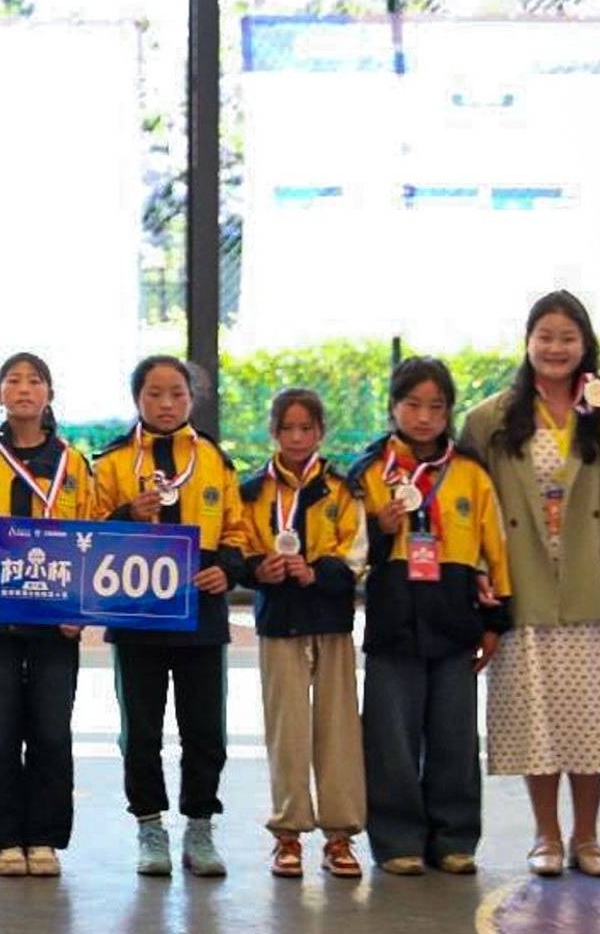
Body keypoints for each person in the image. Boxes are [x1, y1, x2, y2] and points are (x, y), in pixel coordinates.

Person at [461, 291, 600, 878]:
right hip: (524, 582)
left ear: (585, 345)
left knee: (595, 719)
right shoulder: (491, 417)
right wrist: (479, 576)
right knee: (535, 717)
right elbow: (470, 505)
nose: (555, 348)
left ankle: (589, 837)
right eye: (545, 336)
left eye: (567, 338)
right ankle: (545, 836)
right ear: (528, 342)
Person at [348, 356, 511, 877]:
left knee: (455, 736)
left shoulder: (470, 473)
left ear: (449, 413)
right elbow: (346, 550)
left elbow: (496, 549)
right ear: (393, 406)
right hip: (393, 620)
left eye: (436, 407)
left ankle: (455, 837)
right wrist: (379, 527)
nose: (423, 416)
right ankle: (398, 840)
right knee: (390, 738)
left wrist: (496, 620)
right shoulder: (368, 472)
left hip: (455, 618)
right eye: (412, 404)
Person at [91, 355, 246, 877]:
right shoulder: (111, 462)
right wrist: (124, 515)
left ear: (191, 399)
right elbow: (86, 535)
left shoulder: (215, 461)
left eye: (176, 394)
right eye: (155, 394)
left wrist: (226, 568)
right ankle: (150, 828)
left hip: (201, 608)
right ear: (137, 398)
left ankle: (200, 827)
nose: (166, 404)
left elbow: (238, 531)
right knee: (141, 729)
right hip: (136, 611)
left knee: (205, 727)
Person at [0, 352, 94, 879]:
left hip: (58, 624)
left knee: (53, 730)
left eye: (35, 381)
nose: (25, 389)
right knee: (0, 732)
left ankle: (45, 838)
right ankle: (5, 839)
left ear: (50, 395)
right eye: (14, 380)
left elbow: (93, 538)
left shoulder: (75, 464)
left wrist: (82, 608)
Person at [237, 388, 367, 879]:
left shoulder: (342, 489)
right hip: (278, 623)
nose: (296, 437)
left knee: (338, 730)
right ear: (273, 432)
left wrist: (318, 572)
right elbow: (240, 543)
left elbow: (356, 552)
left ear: (320, 432)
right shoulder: (251, 491)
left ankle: (341, 836)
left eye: (305, 428)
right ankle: (288, 833)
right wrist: (258, 570)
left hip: (330, 621)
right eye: (287, 428)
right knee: (286, 731)